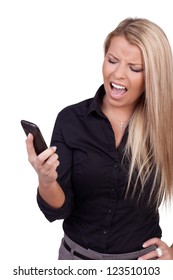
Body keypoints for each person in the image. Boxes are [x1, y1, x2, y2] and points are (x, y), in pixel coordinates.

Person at [25, 17, 173, 260]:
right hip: (76, 263)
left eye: (134, 68)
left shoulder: (167, 125)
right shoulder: (71, 120)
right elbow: (59, 210)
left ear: (154, 76)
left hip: (142, 265)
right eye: (112, 60)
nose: (118, 73)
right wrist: (46, 179)